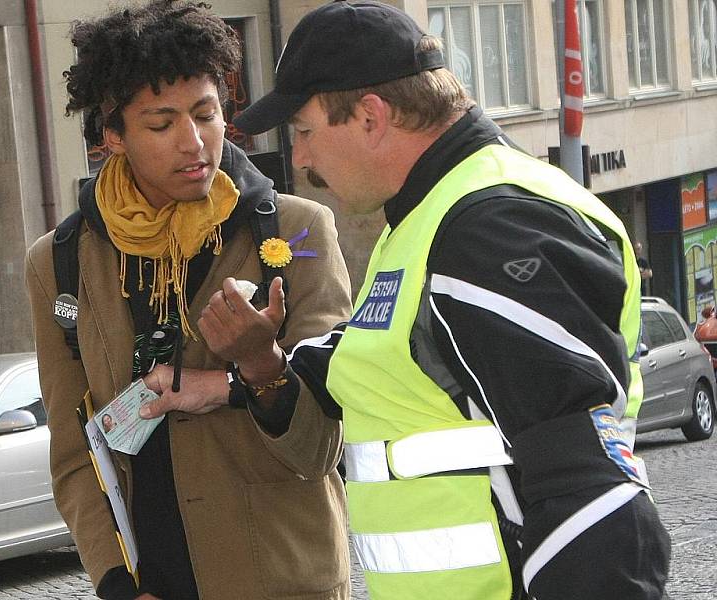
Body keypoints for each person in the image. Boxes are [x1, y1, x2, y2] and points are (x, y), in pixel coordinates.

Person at [199, 2, 671, 599]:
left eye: (305, 131)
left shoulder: (492, 225)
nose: (301, 159)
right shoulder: (432, 216)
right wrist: (253, 366)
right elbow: (381, 360)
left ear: (370, 116)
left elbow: (593, 493)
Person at [25, 2, 352, 599]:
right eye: (160, 124)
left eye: (208, 114)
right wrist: (118, 585)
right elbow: (75, 455)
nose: (194, 141)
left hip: (281, 578)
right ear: (113, 136)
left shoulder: (299, 230)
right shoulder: (59, 262)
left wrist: (253, 370)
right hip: (155, 581)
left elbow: (323, 445)